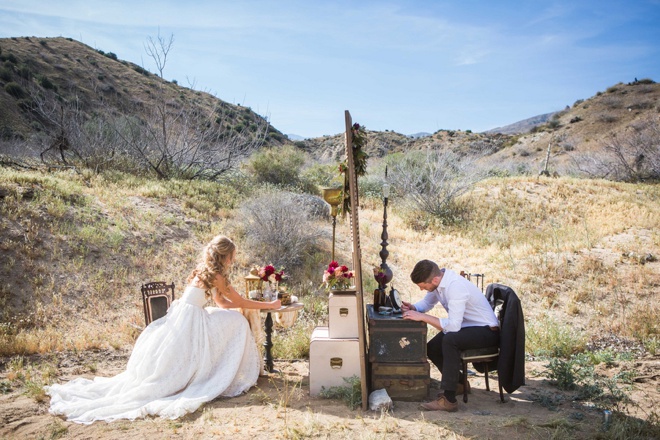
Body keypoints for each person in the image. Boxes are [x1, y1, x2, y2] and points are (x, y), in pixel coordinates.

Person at [45, 235, 280, 424]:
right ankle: (226, 372)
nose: (233, 260)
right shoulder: (217, 275)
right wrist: (269, 305)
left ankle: (225, 367)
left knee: (232, 319)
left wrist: (232, 311)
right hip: (191, 319)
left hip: (184, 314)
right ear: (225, 256)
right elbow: (238, 301)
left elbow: (222, 304)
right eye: (232, 256)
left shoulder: (205, 270)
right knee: (239, 322)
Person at [401, 260, 499, 412]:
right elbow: (427, 303)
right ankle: (459, 384)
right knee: (432, 347)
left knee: (450, 340)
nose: (421, 289)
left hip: (487, 331)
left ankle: (449, 400)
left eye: (423, 285)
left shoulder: (455, 287)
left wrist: (422, 317)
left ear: (434, 280)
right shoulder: (439, 282)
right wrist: (414, 308)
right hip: (470, 326)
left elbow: (453, 326)